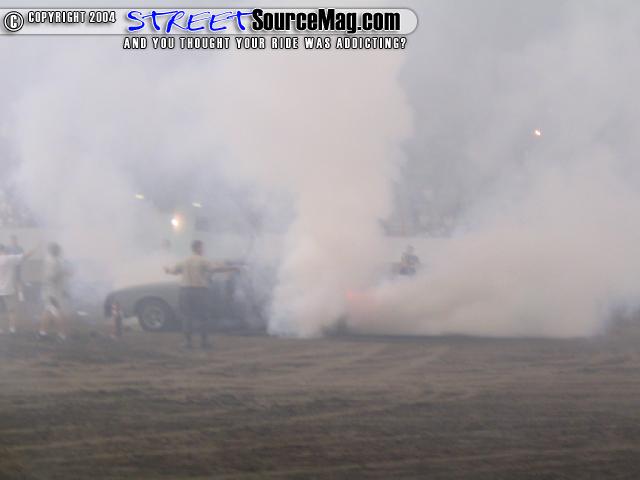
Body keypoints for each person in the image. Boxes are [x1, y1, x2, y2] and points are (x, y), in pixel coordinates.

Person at [165, 240, 238, 349]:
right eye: (202, 247)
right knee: (203, 317)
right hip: (199, 291)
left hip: (185, 291)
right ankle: (204, 342)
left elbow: (173, 271)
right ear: (198, 248)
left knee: (186, 317)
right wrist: (232, 268)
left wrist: (167, 270)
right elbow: (215, 269)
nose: (203, 250)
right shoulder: (202, 260)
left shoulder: (184, 261)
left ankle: (187, 342)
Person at [39, 242, 71, 341]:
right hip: (51, 293)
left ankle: (42, 333)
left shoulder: (53, 260)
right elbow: (51, 277)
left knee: (47, 312)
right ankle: (62, 335)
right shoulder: (52, 262)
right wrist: (63, 272)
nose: (60, 252)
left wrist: (63, 289)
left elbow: (55, 277)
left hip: (51, 292)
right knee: (58, 313)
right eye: (58, 250)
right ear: (54, 251)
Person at [0, 243, 33, 334]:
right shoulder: (9, 258)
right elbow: (25, 256)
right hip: (8, 290)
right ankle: (12, 328)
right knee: (12, 310)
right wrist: (35, 248)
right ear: (3, 250)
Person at [7, 235, 25, 301]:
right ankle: (12, 293)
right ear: (10, 241)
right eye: (12, 240)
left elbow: (23, 256)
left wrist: (20, 262)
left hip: (17, 266)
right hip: (10, 266)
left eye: (14, 240)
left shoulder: (20, 248)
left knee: (18, 280)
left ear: (16, 240)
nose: (13, 241)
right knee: (10, 279)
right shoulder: (8, 248)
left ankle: (20, 294)